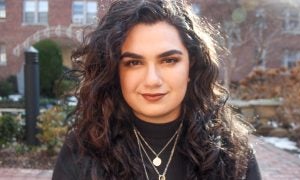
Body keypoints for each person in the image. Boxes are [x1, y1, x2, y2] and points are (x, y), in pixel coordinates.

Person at [52, 0, 261, 179]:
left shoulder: (233, 154)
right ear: (115, 71)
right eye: (134, 62)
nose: (152, 80)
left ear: (192, 65)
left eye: (169, 60)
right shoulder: (81, 153)